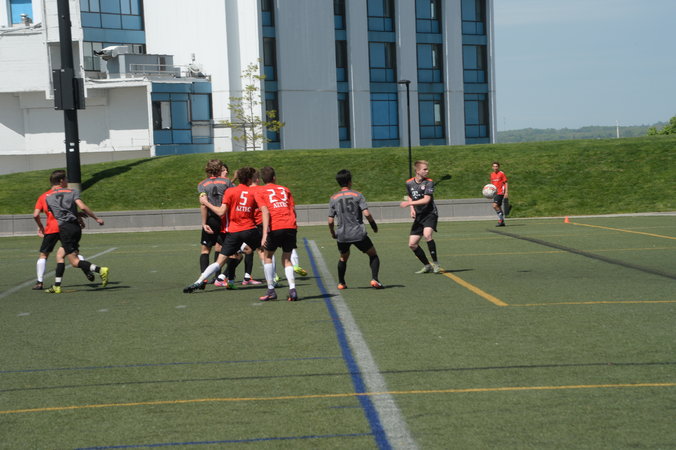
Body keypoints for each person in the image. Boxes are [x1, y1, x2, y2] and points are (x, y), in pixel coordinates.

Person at [183, 167, 261, 293]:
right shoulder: (253, 192)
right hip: (248, 229)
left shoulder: (230, 191)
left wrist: (205, 202)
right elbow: (262, 209)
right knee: (263, 253)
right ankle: (271, 284)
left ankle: (200, 281)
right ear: (250, 179)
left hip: (233, 231)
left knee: (222, 260)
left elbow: (220, 210)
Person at [43, 170, 110, 293]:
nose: (67, 181)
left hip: (65, 229)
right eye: (66, 179)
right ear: (61, 181)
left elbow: (57, 213)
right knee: (60, 255)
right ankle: (57, 286)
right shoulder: (72, 192)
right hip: (75, 227)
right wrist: (96, 218)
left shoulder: (48, 197)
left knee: (74, 262)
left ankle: (100, 270)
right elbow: (82, 207)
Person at [32, 173, 95, 290]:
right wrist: (78, 217)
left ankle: (39, 282)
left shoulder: (44, 196)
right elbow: (70, 210)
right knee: (73, 252)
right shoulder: (68, 193)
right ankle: (87, 270)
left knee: (43, 255)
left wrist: (41, 227)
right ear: (61, 181)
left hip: (51, 229)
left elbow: (35, 214)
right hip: (67, 227)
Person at [328, 169, 383, 290]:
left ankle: (341, 283)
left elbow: (330, 220)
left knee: (343, 257)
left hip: (342, 234)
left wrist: (333, 233)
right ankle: (375, 279)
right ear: (350, 181)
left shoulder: (333, 198)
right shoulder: (357, 195)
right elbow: (367, 213)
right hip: (358, 233)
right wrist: (373, 225)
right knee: (373, 254)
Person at [255, 166, 299, 301]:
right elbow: (293, 209)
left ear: (262, 179)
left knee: (268, 256)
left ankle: (271, 290)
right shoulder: (285, 189)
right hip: (290, 225)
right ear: (274, 177)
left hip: (276, 226)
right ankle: (292, 289)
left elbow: (265, 212)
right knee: (287, 258)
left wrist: (264, 233)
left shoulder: (260, 191)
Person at [399, 160, 441, 274]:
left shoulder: (429, 182)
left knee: (427, 235)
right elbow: (410, 195)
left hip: (430, 213)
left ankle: (436, 263)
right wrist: (412, 209)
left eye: (427, 169)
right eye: (425, 169)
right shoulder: (409, 183)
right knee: (412, 244)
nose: (427, 171)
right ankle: (427, 265)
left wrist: (409, 204)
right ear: (417, 171)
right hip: (419, 216)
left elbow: (426, 200)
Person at [490, 161, 509, 227]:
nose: (495, 167)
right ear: (492, 167)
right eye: (494, 166)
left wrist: (506, 192)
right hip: (495, 193)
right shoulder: (492, 174)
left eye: (496, 166)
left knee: (494, 205)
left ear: (499, 167)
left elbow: (506, 183)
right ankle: (502, 221)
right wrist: (490, 193)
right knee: (498, 207)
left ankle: (501, 220)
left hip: (500, 192)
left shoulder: (501, 174)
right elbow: (492, 185)